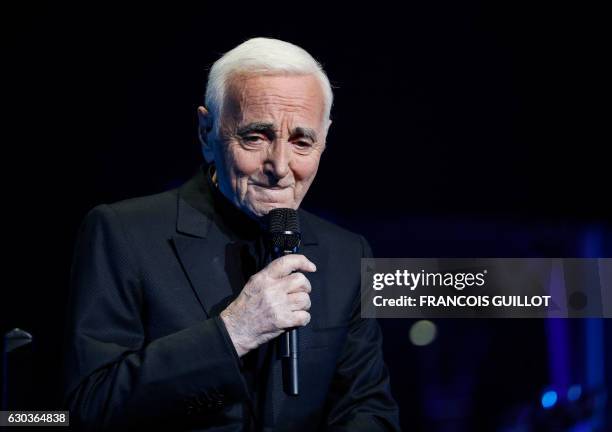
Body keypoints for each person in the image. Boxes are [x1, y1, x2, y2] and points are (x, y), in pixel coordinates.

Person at [63, 37, 400, 431]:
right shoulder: (122, 233)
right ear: (207, 132)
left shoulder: (348, 254)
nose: (280, 165)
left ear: (324, 141)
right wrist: (233, 332)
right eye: (255, 136)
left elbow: (368, 410)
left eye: (301, 141)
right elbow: (85, 408)